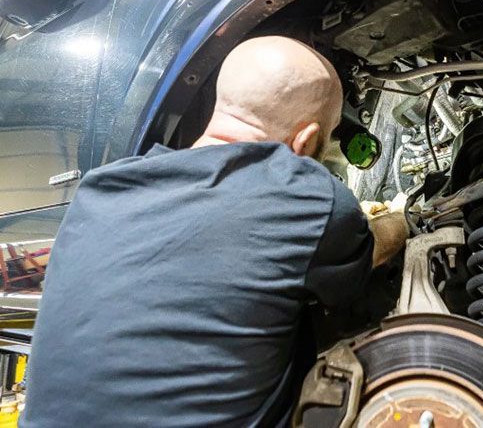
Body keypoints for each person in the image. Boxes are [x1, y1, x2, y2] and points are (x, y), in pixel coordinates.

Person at [20, 36, 409, 427]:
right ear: (306, 140)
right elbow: (371, 254)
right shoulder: (304, 197)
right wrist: (401, 218)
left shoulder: (97, 192)